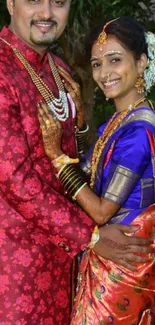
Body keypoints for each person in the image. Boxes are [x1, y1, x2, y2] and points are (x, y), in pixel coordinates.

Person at [0, 2, 152, 323]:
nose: (46, 13)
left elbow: (75, 156)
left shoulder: (58, 69)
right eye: (33, 0)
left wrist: (79, 125)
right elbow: (13, 178)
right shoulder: (2, 71)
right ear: (10, 3)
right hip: (16, 269)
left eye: (58, 2)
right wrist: (91, 236)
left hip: (73, 265)